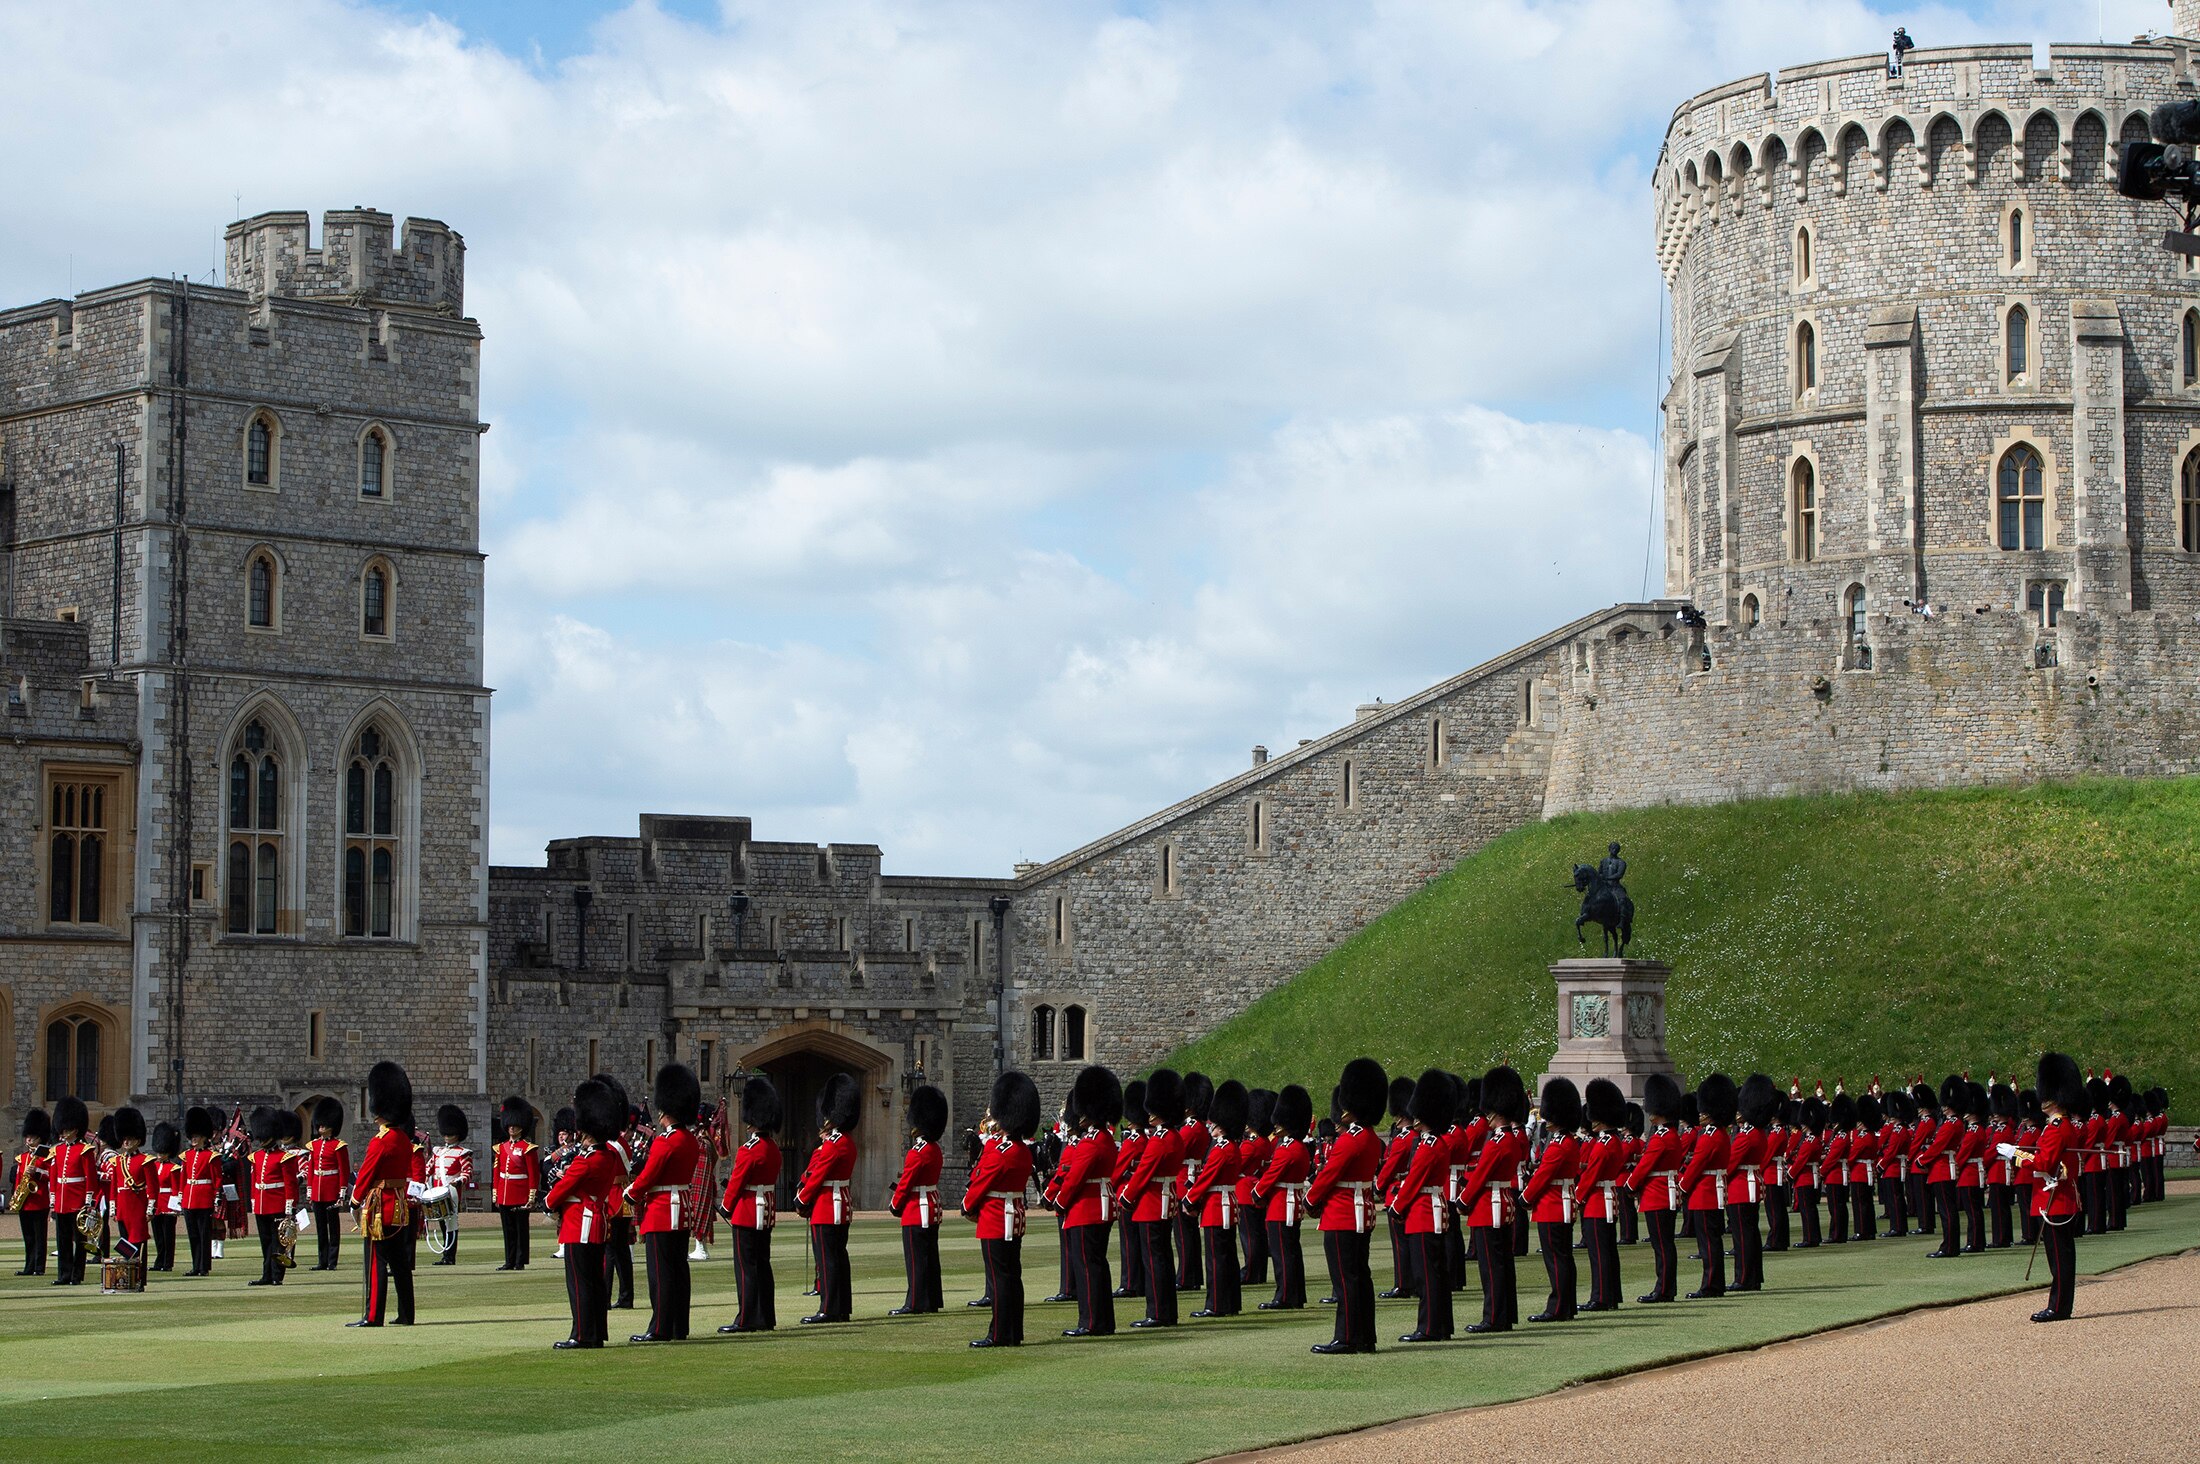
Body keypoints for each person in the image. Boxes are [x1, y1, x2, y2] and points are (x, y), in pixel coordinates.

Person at [1305, 1057, 1386, 1355]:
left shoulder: (1351, 1139)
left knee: (1345, 1281)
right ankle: (1365, 1336)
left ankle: (1347, 1337)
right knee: (1360, 1277)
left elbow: (1329, 1175)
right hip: (1360, 1213)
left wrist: (1310, 1200)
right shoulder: (1371, 1138)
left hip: (1341, 1215)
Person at [624, 1063, 703, 1342]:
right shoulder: (690, 1140)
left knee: (660, 1273)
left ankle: (659, 1328)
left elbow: (649, 1175)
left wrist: (630, 1193)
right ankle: (679, 1326)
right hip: (682, 1210)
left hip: (661, 1211)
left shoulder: (665, 1141)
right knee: (679, 1270)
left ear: (664, 1110)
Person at [547, 1079, 627, 1349]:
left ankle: (581, 1334)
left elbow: (560, 1190)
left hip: (579, 1224)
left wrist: (547, 1202)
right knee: (594, 1281)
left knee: (579, 1283)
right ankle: (596, 1333)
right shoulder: (608, 1156)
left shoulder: (586, 1160)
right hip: (597, 1223)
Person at [965, 1070, 1040, 1347]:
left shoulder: (1001, 1151)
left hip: (996, 1217)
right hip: (1013, 1216)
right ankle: (1013, 1331)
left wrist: (967, 1206)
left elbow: (980, 1180)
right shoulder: (1021, 1150)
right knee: (1011, 1277)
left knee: (999, 1279)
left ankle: (998, 1333)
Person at [1048, 1064, 1122, 1337]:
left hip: (1085, 1209)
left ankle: (1090, 1322)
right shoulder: (1105, 1139)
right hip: (1099, 1207)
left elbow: (1075, 1179)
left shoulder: (1090, 1142)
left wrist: (1060, 1202)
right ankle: (1103, 1321)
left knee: (1087, 1267)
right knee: (1097, 1265)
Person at [2013, 1052, 2085, 1322]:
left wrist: (2017, 1156)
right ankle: (2060, 1305)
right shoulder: (2057, 1125)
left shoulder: (2056, 1127)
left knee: (2059, 1258)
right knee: (2060, 1256)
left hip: (2055, 1199)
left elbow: (2044, 1162)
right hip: (2056, 1197)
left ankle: (2058, 1307)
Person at [1457, 1065, 1529, 1333]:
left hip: (1489, 1207)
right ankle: (1506, 1314)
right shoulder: (1511, 1139)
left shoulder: (1498, 1142)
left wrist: (1463, 1200)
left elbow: (1481, 1177)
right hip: (1502, 1204)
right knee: (1503, 1264)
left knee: (1491, 1267)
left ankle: (1494, 1318)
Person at [349, 1062, 417, 1327]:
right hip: (398, 1205)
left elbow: (366, 1174)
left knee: (376, 1263)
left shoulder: (381, 1141)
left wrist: (355, 1200)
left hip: (379, 1207)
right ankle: (406, 1314)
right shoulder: (403, 1140)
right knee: (400, 1264)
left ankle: (373, 1316)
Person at [1391, 1068, 1456, 1343]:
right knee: (1437, 1273)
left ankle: (1428, 1327)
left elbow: (1414, 1181)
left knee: (1426, 1275)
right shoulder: (1436, 1142)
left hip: (1422, 1213)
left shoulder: (1428, 1146)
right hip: (1433, 1210)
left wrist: (1397, 1207)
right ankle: (1441, 1325)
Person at [718, 1075, 784, 1334]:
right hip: (765, 1211)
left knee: (746, 1268)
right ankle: (766, 1316)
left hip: (746, 1212)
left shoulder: (750, 1149)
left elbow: (737, 1181)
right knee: (763, 1265)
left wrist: (726, 1206)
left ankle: (746, 1318)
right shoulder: (773, 1148)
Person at [1121, 1068, 1184, 1329]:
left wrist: (1126, 1197)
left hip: (1151, 1204)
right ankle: (1166, 1312)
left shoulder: (1159, 1139)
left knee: (1154, 1261)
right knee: (1163, 1259)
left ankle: (1157, 1312)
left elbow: (1143, 1173)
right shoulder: (1174, 1136)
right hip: (1165, 1201)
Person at [796, 1071, 861, 1324]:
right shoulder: (847, 1141)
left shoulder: (834, 1143)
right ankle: (842, 1307)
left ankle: (829, 1308)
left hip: (826, 1206)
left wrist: (802, 1199)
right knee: (839, 1257)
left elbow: (818, 1175)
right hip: (840, 1204)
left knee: (828, 1260)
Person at [1523, 1077, 1583, 1323]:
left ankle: (1557, 1307)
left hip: (1552, 1206)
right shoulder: (1568, 1141)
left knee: (1556, 1259)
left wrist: (1525, 1197)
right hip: (1562, 1204)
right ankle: (1567, 1306)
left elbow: (1542, 1177)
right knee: (1564, 1257)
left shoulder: (1559, 1145)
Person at [1187, 1079, 1247, 1319]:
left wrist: (1190, 1199)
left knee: (1216, 1259)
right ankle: (1230, 1303)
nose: (1211, 1126)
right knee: (1227, 1257)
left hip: (1216, 1207)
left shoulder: (1221, 1149)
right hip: (1226, 1205)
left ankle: (1216, 1304)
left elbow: (1206, 1179)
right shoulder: (1232, 1147)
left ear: (1222, 1126)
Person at [1625, 1074, 1687, 1302]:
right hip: (1663, 1192)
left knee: (1661, 1245)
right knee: (1664, 1244)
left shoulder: (1661, 1137)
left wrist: (1630, 1185)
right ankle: (1666, 1287)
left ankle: (1663, 1289)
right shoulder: (1671, 1135)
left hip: (1657, 1194)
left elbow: (1644, 1166)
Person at [889, 1083, 949, 1316]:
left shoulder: (918, 1151)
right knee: (930, 1257)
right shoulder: (935, 1149)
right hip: (931, 1207)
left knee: (915, 1259)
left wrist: (895, 1204)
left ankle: (914, 1302)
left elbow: (906, 1182)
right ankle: (931, 1300)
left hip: (917, 1208)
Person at [1252, 1083, 1313, 1311]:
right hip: (1291, 1204)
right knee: (1292, 1252)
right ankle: (1296, 1295)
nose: (1275, 1124)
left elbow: (1270, 1177)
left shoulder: (1287, 1149)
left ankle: (1285, 1296)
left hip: (1281, 1206)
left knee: (1282, 1254)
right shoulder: (1298, 1147)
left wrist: (1256, 1193)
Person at [1679, 1074, 1735, 1299]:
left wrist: (1682, 1186)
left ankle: (1711, 1285)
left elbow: (1696, 1166)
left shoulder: (1709, 1136)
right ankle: (1715, 1283)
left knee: (1708, 1243)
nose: (1700, 1114)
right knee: (1712, 1241)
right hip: (1714, 1192)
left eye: (1704, 1111)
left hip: (1704, 1194)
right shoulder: (1721, 1134)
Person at [1576, 1079, 1627, 1311]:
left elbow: (1590, 1176)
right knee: (1607, 1250)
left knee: (1598, 1253)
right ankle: (1611, 1295)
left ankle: (1601, 1297)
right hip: (1607, 1198)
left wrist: (1577, 1198)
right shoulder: (1613, 1140)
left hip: (1597, 1201)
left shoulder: (1604, 1143)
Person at [590, 1073, 639, 1308]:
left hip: (613, 1200)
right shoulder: (621, 1144)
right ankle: (625, 1297)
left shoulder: (611, 1146)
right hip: (621, 1200)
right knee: (620, 1251)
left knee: (610, 1251)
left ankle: (606, 1296)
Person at [1729, 1075, 1779, 1292]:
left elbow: (1729, 1165)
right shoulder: (1757, 1133)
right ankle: (1753, 1277)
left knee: (1742, 1237)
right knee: (1750, 1234)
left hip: (1739, 1188)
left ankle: (1743, 1278)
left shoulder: (1746, 1136)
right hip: (1750, 1186)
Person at [1376, 1075, 1420, 1301]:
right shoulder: (1417, 1135)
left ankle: (1403, 1284)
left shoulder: (1403, 1139)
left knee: (1400, 1244)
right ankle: (1413, 1282)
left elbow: (1389, 1167)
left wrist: (1379, 1185)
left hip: (1397, 1192)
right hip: (1412, 1192)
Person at [47, 1096, 97, 1286]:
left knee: (80, 1240)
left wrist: (88, 1201)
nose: (64, 1133)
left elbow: (90, 1178)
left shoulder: (85, 1150)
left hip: (78, 1201)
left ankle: (77, 1275)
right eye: (63, 1129)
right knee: (63, 1240)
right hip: (62, 1200)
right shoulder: (57, 1150)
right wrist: (53, 1200)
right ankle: (64, 1274)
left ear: (75, 1129)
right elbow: (54, 1178)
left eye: (67, 1129)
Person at [489, 1097, 540, 1271]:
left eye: (515, 1125)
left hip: (520, 1193)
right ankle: (509, 1260)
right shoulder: (501, 1148)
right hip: (505, 1193)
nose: (511, 1128)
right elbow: (497, 1172)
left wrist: (531, 1196)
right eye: (510, 1125)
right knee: (508, 1230)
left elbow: (533, 1174)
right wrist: (495, 1193)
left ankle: (520, 1261)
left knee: (520, 1229)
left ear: (521, 1127)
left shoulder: (528, 1148)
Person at [1175, 1072, 1213, 1294]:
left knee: (1184, 1234)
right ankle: (1192, 1275)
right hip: (1190, 1179)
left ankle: (1186, 1276)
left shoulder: (1190, 1128)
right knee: (1187, 1234)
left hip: (1184, 1182)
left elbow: (1175, 1153)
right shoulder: (1198, 1126)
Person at [1111, 1079, 1149, 1302]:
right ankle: (1139, 1281)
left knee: (1129, 1241)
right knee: (1137, 1240)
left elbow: (1118, 1170)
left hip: (1127, 1192)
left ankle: (1129, 1283)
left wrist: (1110, 1185)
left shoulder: (1133, 1140)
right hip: (1140, 1195)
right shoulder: (1146, 1138)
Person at [1237, 1088, 1275, 1290]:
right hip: (1257, 1190)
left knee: (1249, 1236)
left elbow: (1236, 1166)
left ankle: (1250, 1272)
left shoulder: (1250, 1144)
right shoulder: (1264, 1142)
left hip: (1245, 1191)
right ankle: (1258, 1272)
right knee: (1258, 1234)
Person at [9, 1108, 52, 1276]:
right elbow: (19, 1179)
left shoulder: (46, 1156)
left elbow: (51, 1175)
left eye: (32, 1137)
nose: (28, 1140)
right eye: (27, 1136)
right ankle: (29, 1266)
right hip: (25, 1201)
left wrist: (38, 1172)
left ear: (40, 1137)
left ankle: (39, 1267)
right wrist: (16, 1196)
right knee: (28, 1237)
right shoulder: (23, 1157)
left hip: (39, 1201)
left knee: (40, 1237)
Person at [147, 1120, 182, 1272]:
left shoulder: (174, 1168)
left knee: (168, 1237)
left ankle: (167, 1263)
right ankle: (159, 1261)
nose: (160, 1155)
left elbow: (176, 1189)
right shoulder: (152, 1166)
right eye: (159, 1152)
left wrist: (174, 1208)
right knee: (158, 1236)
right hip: (156, 1205)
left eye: (163, 1152)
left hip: (168, 1205)